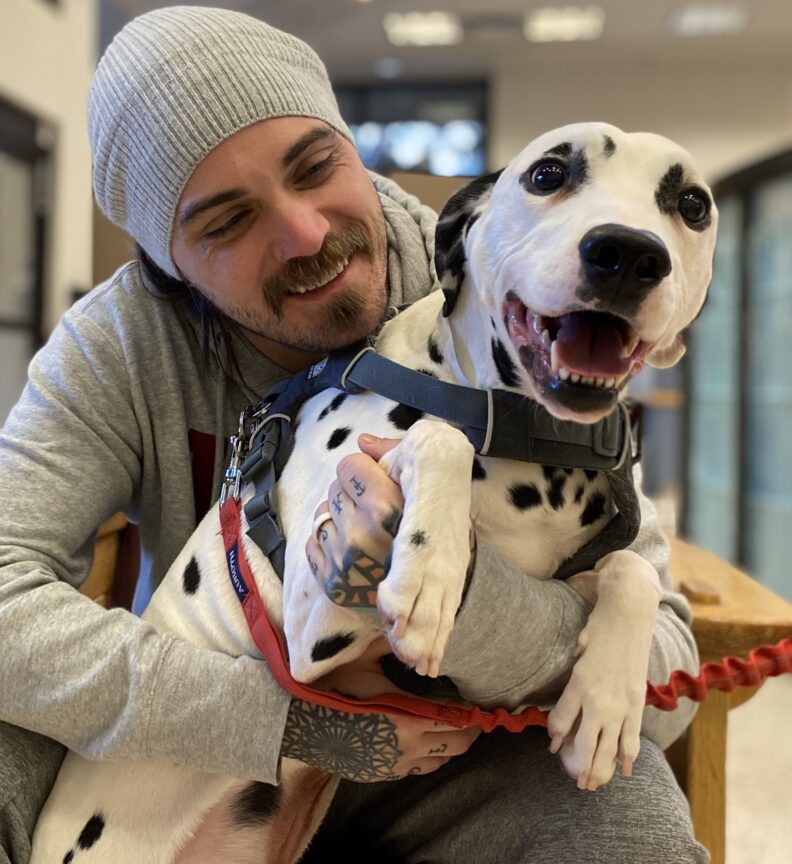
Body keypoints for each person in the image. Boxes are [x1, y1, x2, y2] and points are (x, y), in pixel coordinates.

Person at [0, 6, 708, 863]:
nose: (305, 232)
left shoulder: (504, 291)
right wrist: (287, 726)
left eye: (316, 166)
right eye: (226, 222)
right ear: (168, 266)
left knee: (624, 821)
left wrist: (460, 597)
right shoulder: (115, 346)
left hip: (451, 750)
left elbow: (670, 686)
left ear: (351, 145)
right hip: (205, 728)